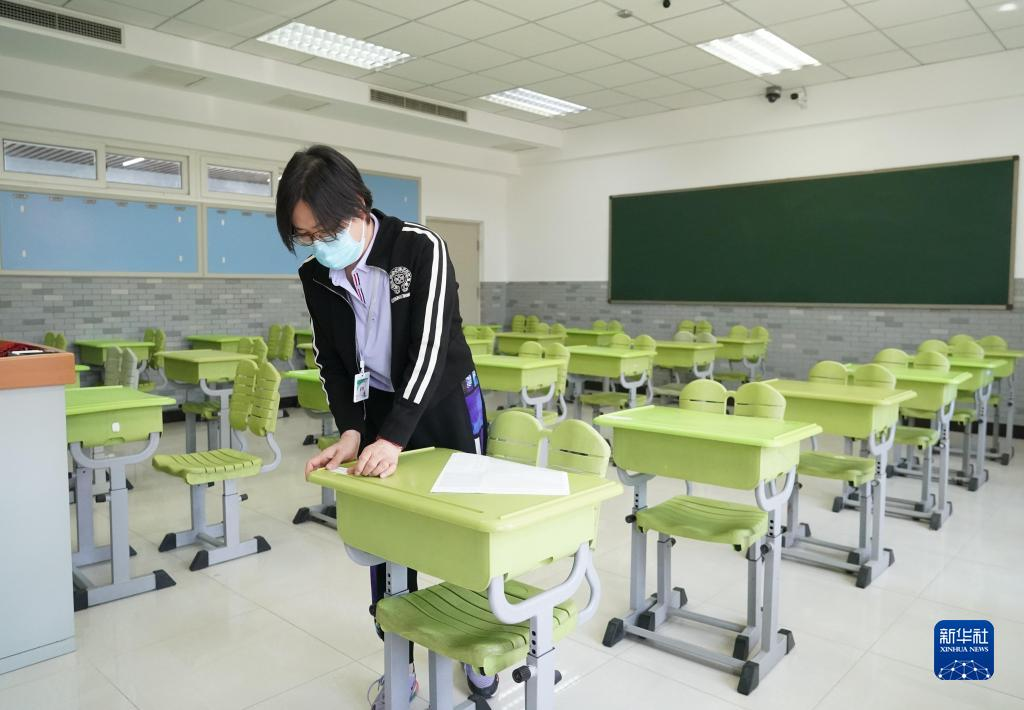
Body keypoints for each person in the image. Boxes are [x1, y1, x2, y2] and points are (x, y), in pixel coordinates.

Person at [276, 145, 494, 709]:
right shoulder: (317, 275)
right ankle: (401, 663)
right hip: (377, 410)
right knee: (383, 539)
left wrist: (393, 436)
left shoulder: (419, 249)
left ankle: (478, 648)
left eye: (326, 229)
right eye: (304, 235)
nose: (319, 244)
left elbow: (430, 346)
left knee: (466, 533)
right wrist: (351, 430)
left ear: (359, 204)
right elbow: (334, 359)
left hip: (442, 405)